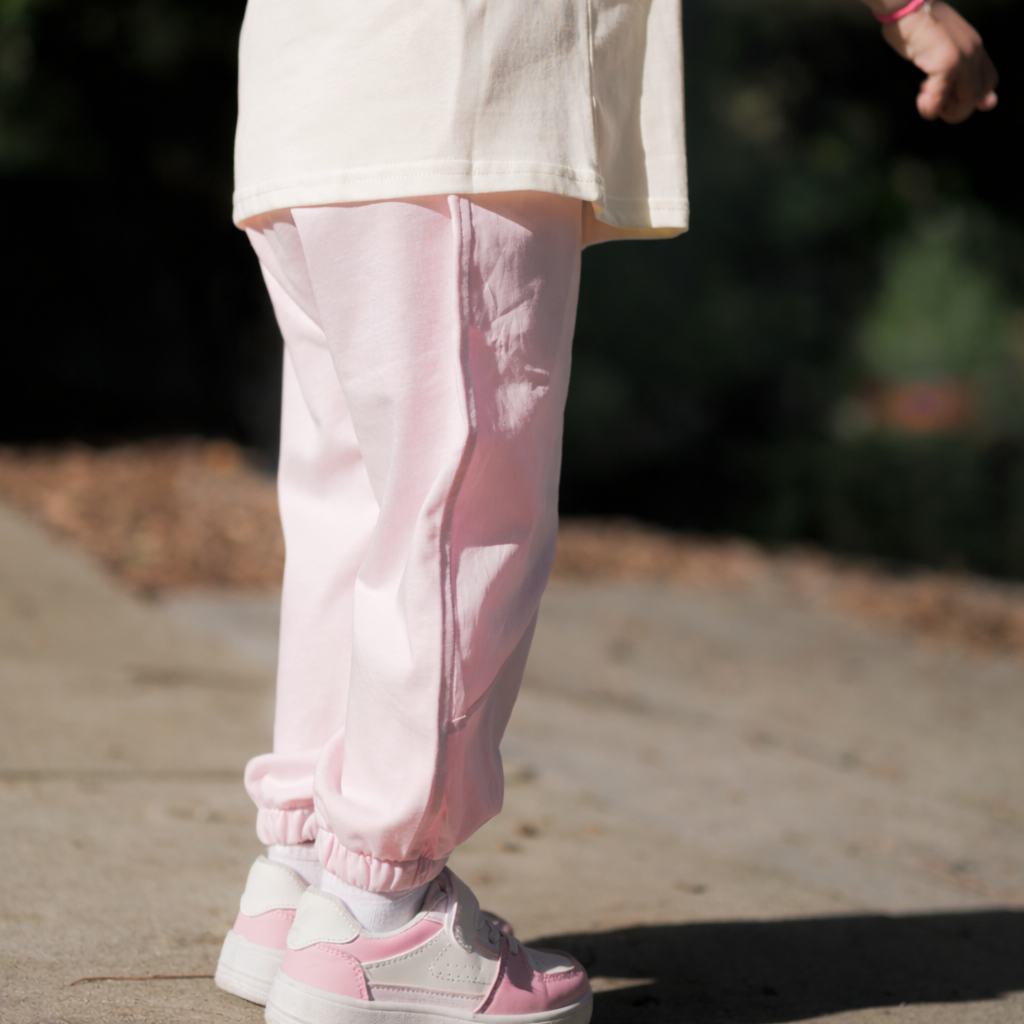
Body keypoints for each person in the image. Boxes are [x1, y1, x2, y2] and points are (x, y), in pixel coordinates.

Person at [213, 2, 998, 1022]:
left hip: (316, 85)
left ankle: (304, 879)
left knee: (361, 498)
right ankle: (377, 913)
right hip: (462, 87)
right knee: (460, 507)